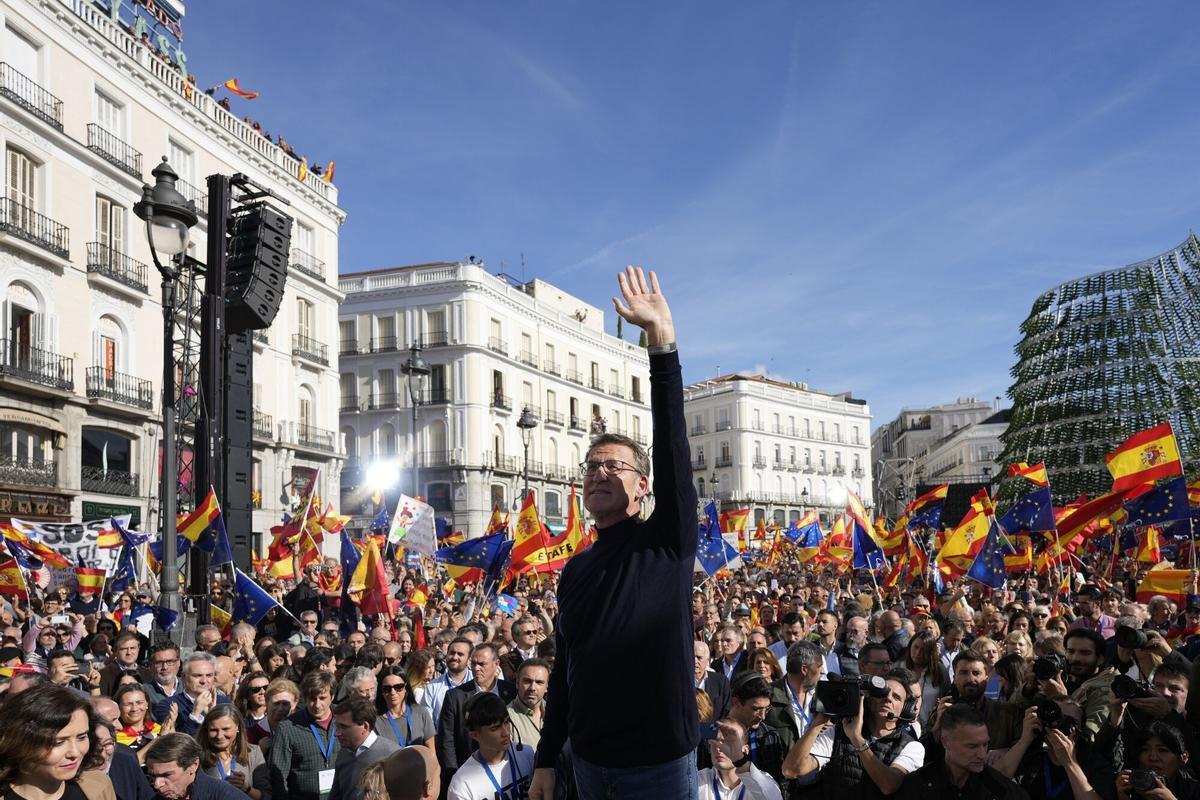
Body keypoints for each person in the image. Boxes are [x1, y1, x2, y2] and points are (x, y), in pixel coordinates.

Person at [530, 267, 697, 800]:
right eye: (592, 465)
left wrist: (661, 344)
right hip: (587, 763)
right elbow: (566, 671)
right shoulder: (575, 568)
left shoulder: (666, 542)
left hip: (658, 768)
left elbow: (672, 449)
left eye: (615, 466)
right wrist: (546, 759)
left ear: (643, 486)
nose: (599, 472)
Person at [783, 669, 924, 796]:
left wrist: (857, 739)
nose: (888, 699)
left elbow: (889, 785)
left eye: (896, 697)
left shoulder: (912, 747)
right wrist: (819, 721)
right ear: (869, 700)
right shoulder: (837, 734)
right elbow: (791, 770)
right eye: (883, 694)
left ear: (905, 709)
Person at [895, 704, 1028, 800]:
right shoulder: (916, 786)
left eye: (985, 744)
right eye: (972, 746)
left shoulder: (1002, 790)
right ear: (946, 742)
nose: (982, 754)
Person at [0, 684, 105, 800]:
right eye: (58, 743)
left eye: (81, 737)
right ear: (20, 741)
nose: (75, 753)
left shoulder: (99, 787)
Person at [437, 642, 516, 783]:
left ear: (496, 664)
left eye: (482, 664)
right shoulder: (455, 696)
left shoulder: (510, 691)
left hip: (507, 768)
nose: (476, 668)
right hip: (469, 773)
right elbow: (446, 740)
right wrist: (454, 774)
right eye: (473, 664)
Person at [267, 670, 341, 800]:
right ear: (304, 698)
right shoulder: (288, 728)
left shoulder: (344, 720)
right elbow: (278, 776)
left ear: (332, 696)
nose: (317, 705)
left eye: (322, 698)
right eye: (312, 699)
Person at [446, 693, 535, 800]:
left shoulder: (527, 753)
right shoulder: (462, 785)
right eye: (495, 728)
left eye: (506, 722)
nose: (505, 732)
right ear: (475, 735)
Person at [328, 696, 399, 800]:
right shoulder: (343, 753)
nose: (337, 733)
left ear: (365, 727)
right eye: (337, 726)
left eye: (343, 727)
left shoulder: (393, 755)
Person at [697, 719, 783, 800]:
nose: (719, 748)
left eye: (729, 742)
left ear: (745, 750)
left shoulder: (762, 780)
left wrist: (740, 760)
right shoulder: (698, 780)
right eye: (715, 741)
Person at [145, 732, 246, 800]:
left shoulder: (225, 795)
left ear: (193, 765)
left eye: (166, 775)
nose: (157, 784)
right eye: (153, 776)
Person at [1114, 721, 1200, 800]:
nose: (1153, 757)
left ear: (1183, 758)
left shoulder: (1194, 790)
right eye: (1145, 749)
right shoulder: (1131, 787)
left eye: (1162, 750)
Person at [197, 705, 269, 800]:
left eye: (226, 729)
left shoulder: (253, 753)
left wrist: (246, 788)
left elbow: (266, 796)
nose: (219, 736)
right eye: (213, 730)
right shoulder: (197, 756)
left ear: (237, 727)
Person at [154, 652, 232, 737]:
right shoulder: (168, 706)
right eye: (197, 676)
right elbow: (178, 745)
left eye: (209, 675)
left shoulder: (224, 703)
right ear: (183, 677)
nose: (204, 681)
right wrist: (195, 714)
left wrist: (213, 715)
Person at [765, 639, 822, 747]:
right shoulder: (769, 696)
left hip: (815, 762)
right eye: (819, 666)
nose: (822, 670)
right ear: (804, 669)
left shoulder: (823, 695)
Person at [374, 665, 435, 749]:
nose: (392, 692)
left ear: (406, 688)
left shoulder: (421, 713)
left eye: (398, 687)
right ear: (381, 691)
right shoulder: (375, 721)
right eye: (387, 688)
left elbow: (432, 752)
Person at [424, 638, 472, 731]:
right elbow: (428, 724)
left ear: (469, 659)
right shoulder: (433, 686)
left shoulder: (476, 683)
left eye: (460, 654)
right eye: (452, 653)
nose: (454, 657)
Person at [507, 658, 550, 751]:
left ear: (547, 686)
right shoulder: (506, 718)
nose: (532, 688)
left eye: (539, 682)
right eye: (527, 681)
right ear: (517, 683)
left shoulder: (557, 714)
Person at [695, 640, 731, 721]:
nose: (695, 661)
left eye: (699, 658)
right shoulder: (679, 682)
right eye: (691, 657)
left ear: (707, 660)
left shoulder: (721, 682)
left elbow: (727, 710)